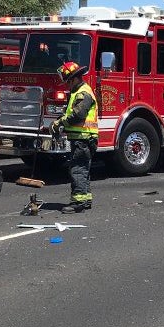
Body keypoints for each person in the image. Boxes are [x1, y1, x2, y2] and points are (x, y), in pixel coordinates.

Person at [51, 61, 98, 214]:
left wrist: (60, 122)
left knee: (77, 169)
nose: (67, 85)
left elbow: (78, 115)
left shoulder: (83, 93)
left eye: (68, 81)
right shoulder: (79, 92)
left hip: (83, 138)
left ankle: (78, 202)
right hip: (83, 138)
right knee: (83, 169)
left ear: (74, 78)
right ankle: (85, 199)